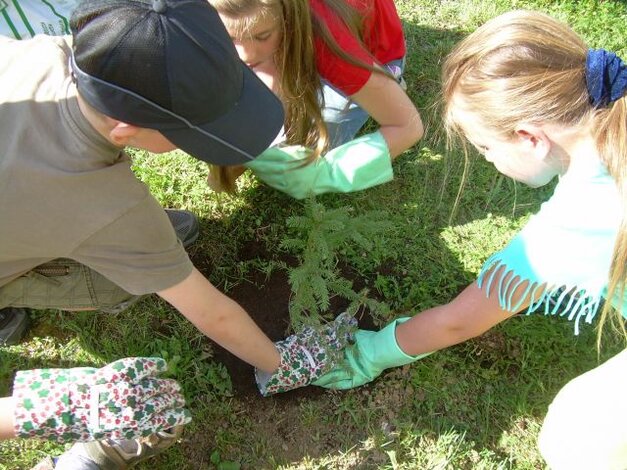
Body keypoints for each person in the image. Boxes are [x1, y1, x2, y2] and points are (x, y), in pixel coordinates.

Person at [0, 0, 356, 468]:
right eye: (195, 131)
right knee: (125, 276)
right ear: (127, 129)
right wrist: (283, 364)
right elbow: (213, 313)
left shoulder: (39, 54)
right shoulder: (111, 211)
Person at [311, 10, 627, 469]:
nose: (487, 161)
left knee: (577, 438)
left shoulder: (568, 230)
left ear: (528, 137)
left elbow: (459, 321)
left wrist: (369, 354)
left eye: (484, 148)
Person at [206, 0, 424, 199]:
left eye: (262, 36)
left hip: (373, 54)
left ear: (288, 17)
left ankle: (388, 83)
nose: (245, 54)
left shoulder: (326, 36)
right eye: (230, 37)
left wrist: (326, 173)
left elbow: (407, 126)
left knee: (314, 136)